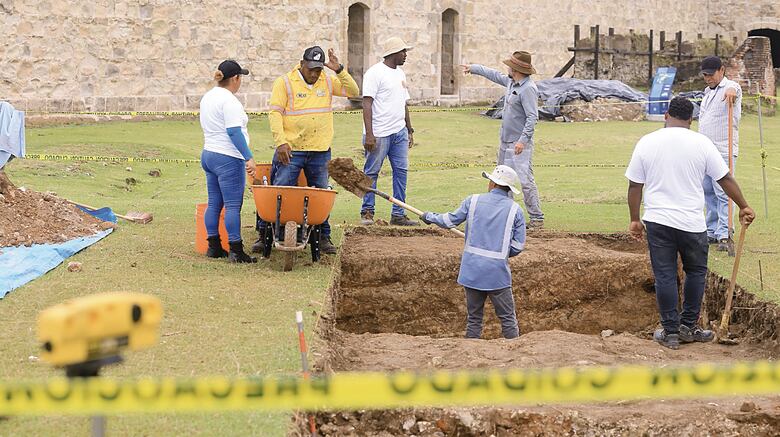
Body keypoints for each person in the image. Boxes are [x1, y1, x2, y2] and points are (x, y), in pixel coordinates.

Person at [625, 97, 755, 350]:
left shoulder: (647, 142)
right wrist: (743, 205)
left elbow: (634, 185)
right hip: (691, 222)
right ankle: (689, 326)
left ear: (666, 115)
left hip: (658, 220)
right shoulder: (701, 143)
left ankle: (671, 332)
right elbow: (724, 178)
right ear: (691, 120)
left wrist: (633, 220)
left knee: (665, 275)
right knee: (696, 272)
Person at [257, 46, 359, 255]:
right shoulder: (284, 82)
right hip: (291, 150)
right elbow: (275, 114)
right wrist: (280, 142)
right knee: (280, 190)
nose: (314, 74)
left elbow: (354, 92)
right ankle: (266, 233)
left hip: (320, 150)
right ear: (302, 64)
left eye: (318, 70)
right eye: (311, 69)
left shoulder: (327, 81)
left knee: (321, 193)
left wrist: (338, 69)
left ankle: (322, 236)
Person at [421, 165, 526, 339]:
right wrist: (501, 252)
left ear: (493, 183)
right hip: (497, 274)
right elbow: (517, 247)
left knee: (474, 319)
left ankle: (470, 354)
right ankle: (514, 353)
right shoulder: (516, 210)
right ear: (509, 189)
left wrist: (429, 217)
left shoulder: (473, 201)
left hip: (472, 271)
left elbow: (448, 220)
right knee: (508, 319)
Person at [461, 51, 544, 229]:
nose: (507, 67)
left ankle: (537, 218)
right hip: (506, 141)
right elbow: (493, 74)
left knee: (525, 180)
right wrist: (474, 68)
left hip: (519, 144)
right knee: (502, 179)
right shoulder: (510, 82)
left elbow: (532, 117)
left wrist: (522, 141)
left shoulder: (528, 88)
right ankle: (506, 215)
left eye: (510, 65)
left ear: (516, 69)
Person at [199, 60, 257, 263]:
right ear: (235, 78)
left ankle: (213, 246)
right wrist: (248, 156)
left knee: (214, 202)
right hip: (227, 157)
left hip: (209, 153)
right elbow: (233, 131)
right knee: (233, 205)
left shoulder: (208, 97)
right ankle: (235, 250)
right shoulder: (230, 101)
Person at [360, 37, 418, 226]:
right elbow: (366, 103)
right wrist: (370, 134)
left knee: (401, 172)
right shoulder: (374, 73)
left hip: (398, 132)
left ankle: (398, 213)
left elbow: (403, 103)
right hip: (379, 133)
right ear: (394, 53)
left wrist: (409, 129)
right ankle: (367, 212)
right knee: (371, 172)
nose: (406, 55)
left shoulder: (400, 73)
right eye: (403, 52)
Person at [698, 56, 743, 252]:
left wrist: (732, 91)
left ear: (721, 70)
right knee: (708, 191)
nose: (708, 78)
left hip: (723, 150)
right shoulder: (707, 92)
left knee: (723, 192)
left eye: (711, 74)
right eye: (705, 75)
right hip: (705, 151)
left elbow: (735, 88)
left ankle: (725, 233)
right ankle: (712, 230)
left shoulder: (729, 87)